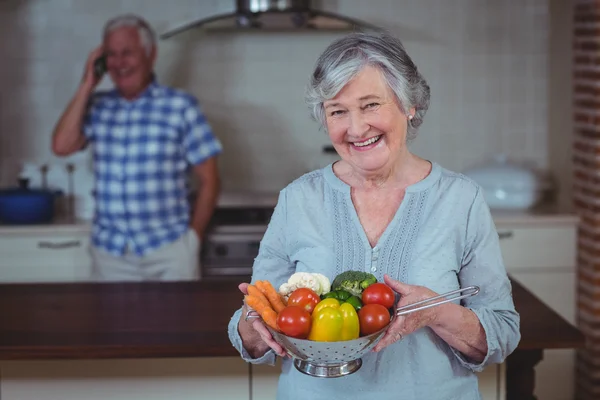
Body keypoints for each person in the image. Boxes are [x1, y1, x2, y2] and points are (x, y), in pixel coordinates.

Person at [227, 30, 520, 399]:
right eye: (338, 111)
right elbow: (253, 333)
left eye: (370, 105)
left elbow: (502, 333)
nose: (356, 128)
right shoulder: (298, 199)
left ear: (408, 104)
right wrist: (254, 325)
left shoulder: (461, 199)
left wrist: (436, 312)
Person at [51, 14, 222, 281]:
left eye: (127, 53)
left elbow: (209, 180)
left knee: (178, 324)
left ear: (150, 54)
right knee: (111, 324)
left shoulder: (180, 107)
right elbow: (61, 146)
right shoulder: (97, 106)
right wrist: (86, 84)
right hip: (110, 255)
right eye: (111, 54)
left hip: (169, 252)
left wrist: (191, 239)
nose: (119, 63)